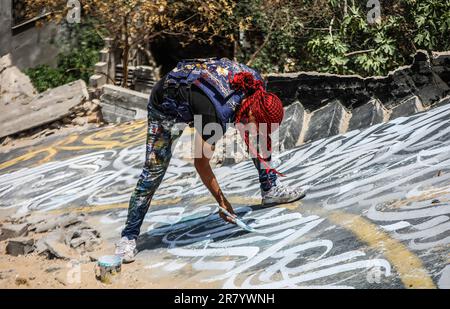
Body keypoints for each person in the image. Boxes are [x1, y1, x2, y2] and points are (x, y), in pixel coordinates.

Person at [115, 57, 306, 262]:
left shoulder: (257, 85)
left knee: (257, 134)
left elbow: (256, 128)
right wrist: (222, 202)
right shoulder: (215, 114)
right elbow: (201, 162)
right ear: (250, 110)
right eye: (253, 122)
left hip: (199, 92)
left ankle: (270, 189)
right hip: (166, 106)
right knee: (153, 171)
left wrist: (258, 130)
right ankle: (128, 237)